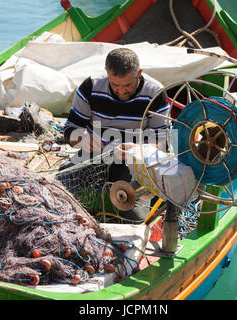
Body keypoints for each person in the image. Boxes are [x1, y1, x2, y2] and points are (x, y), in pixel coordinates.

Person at [61, 47, 169, 221]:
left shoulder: (155, 92)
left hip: (135, 160)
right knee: (60, 187)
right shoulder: (91, 86)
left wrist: (140, 149)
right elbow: (69, 130)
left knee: (133, 211)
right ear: (107, 73)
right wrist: (82, 139)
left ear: (139, 73)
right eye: (114, 85)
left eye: (127, 85)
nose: (121, 91)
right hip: (94, 156)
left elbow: (162, 140)